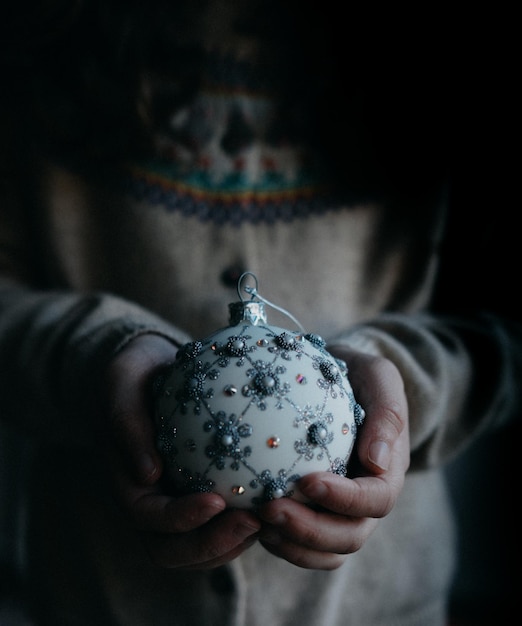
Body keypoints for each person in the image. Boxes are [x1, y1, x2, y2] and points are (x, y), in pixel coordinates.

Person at [0, 1, 518, 625]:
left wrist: (406, 380)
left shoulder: (447, 63)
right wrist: (91, 356)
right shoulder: (31, 41)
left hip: (375, 604)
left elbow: (503, 326)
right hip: (101, 599)